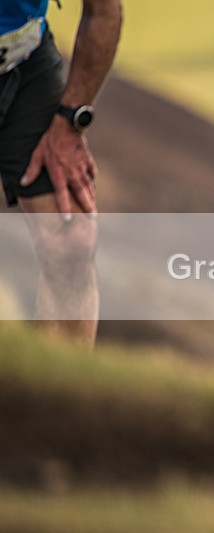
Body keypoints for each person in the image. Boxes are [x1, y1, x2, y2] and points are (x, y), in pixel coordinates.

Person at [0, 0, 122, 347]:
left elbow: (104, 11)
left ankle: (61, 393)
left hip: (21, 62)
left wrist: (71, 122)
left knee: (70, 240)